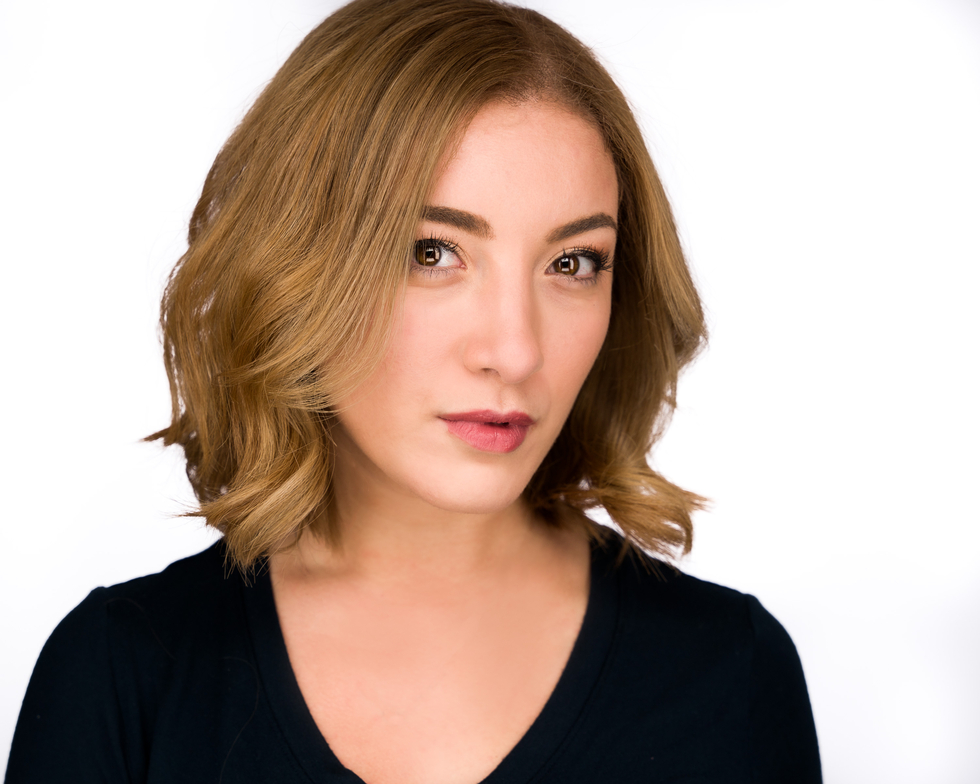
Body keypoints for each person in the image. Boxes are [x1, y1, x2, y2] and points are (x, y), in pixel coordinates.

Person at [5, 0, 821, 781]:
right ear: (296, 267)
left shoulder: (733, 675)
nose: (514, 350)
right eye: (431, 253)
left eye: (572, 263)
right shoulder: (122, 680)